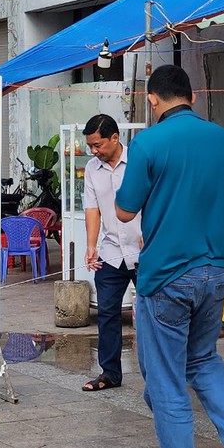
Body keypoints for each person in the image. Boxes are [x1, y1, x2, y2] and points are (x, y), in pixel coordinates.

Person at [113, 64, 224, 448]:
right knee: (202, 361)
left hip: (167, 275)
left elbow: (123, 212)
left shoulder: (148, 144)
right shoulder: (223, 140)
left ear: (153, 100)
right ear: (192, 96)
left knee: (164, 381)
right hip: (215, 271)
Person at [80, 113, 141, 393]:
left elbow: (154, 201)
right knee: (107, 313)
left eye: (98, 145)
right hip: (111, 252)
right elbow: (92, 208)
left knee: (152, 314)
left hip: (145, 252)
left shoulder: (139, 161)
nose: (94, 151)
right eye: (90, 146)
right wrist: (91, 245)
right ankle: (110, 373)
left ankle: (160, 376)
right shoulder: (92, 168)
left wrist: (151, 234)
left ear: (115, 138)